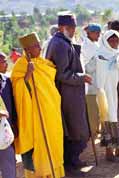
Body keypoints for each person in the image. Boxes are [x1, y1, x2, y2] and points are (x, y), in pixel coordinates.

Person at [11, 32, 64, 178]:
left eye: (39, 44)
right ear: (27, 50)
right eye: (36, 46)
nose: (40, 48)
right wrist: (28, 74)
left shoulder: (44, 63)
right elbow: (18, 90)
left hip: (51, 112)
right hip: (35, 116)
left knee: (54, 141)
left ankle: (54, 173)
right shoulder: (20, 66)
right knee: (40, 146)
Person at [45, 12, 92, 176]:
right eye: (70, 28)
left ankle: (73, 161)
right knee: (72, 130)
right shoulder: (59, 44)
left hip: (71, 94)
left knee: (75, 128)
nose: (73, 31)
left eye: (73, 27)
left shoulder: (64, 41)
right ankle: (69, 167)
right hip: (66, 95)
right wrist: (82, 77)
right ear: (61, 28)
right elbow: (61, 74)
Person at [96, 30, 119, 161]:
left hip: (117, 91)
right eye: (112, 40)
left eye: (117, 40)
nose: (115, 43)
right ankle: (109, 152)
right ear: (106, 41)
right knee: (109, 120)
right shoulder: (100, 56)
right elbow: (100, 78)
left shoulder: (117, 54)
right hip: (107, 94)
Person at [81, 23, 101, 136]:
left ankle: (97, 130)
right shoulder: (85, 46)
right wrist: (98, 60)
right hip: (90, 84)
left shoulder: (96, 45)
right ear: (90, 33)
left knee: (98, 110)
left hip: (98, 83)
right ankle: (93, 133)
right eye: (96, 33)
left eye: (99, 33)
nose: (98, 35)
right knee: (92, 111)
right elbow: (86, 67)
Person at [0, 52, 17, 178]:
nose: (7, 64)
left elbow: (12, 104)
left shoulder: (7, 81)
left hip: (6, 132)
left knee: (9, 169)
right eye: (3, 62)